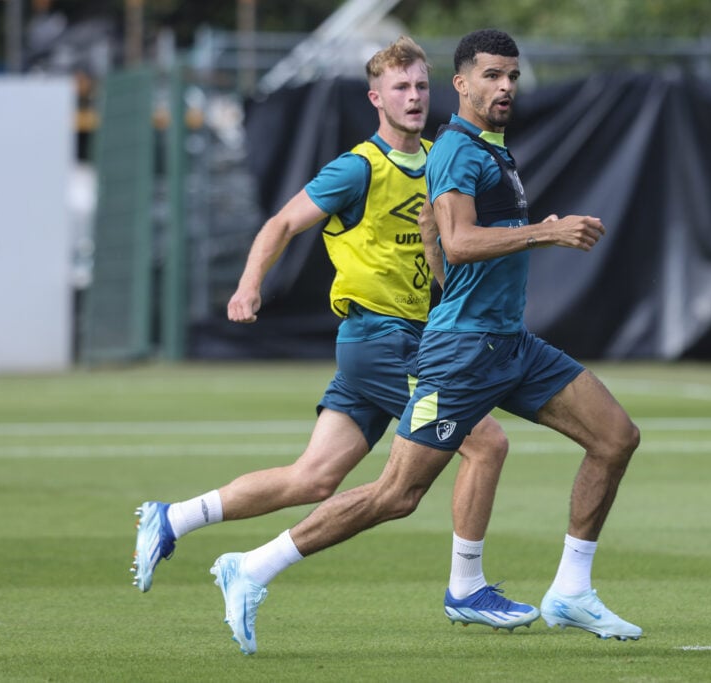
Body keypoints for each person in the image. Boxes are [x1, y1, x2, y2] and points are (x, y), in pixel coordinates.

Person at [208, 28, 643, 656]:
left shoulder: (491, 150)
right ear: (462, 84)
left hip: (509, 344)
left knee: (615, 437)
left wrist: (481, 235)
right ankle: (253, 567)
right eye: (491, 75)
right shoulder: (460, 152)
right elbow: (466, 242)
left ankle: (571, 590)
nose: (505, 87)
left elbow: (452, 255)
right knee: (396, 494)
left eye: (512, 77)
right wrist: (545, 234)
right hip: (461, 354)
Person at [132, 34, 538, 636]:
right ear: (376, 97)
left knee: (313, 478)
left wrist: (434, 244)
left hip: (404, 339)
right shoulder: (359, 167)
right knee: (485, 443)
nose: (413, 97)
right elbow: (282, 223)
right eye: (400, 87)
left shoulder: (441, 159)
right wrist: (248, 286)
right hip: (383, 339)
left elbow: (446, 262)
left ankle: (174, 518)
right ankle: (466, 587)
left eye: (421, 86)